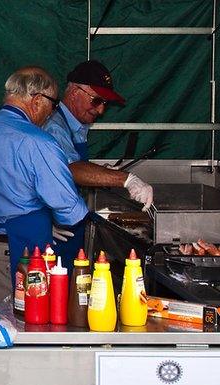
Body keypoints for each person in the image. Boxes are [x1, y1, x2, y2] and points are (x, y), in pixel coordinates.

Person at [0, 67, 88, 302]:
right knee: (23, 328)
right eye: (53, 105)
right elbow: (71, 212)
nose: (52, 112)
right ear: (38, 100)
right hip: (18, 256)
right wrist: (42, 220)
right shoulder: (38, 141)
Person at [42, 60, 154, 257]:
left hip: (69, 225)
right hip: (55, 232)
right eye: (96, 101)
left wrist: (100, 172)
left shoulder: (76, 126)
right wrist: (125, 179)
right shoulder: (56, 127)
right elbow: (70, 169)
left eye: (105, 103)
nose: (101, 110)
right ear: (75, 92)